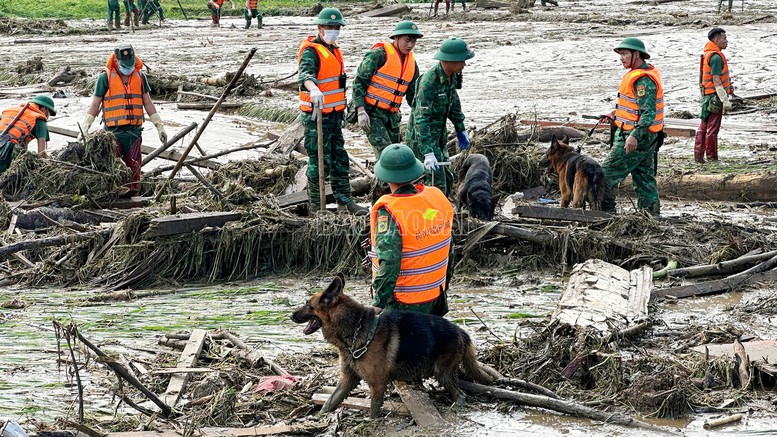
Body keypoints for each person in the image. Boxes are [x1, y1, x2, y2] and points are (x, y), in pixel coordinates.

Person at [368, 143, 454, 314]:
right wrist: (444, 286)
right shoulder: (436, 197)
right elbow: (449, 249)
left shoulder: (390, 211)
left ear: (385, 176)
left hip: (405, 303)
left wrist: (378, 302)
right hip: (435, 295)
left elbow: (390, 261)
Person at [298, 7, 367, 216]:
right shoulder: (311, 51)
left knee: (340, 158)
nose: (333, 31)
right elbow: (305, 75)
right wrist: (314, 89)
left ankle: (345, 202)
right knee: (319, 161)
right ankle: (316, 207)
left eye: (337, 27)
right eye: (330, 27)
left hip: (335, 115)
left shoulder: (334, 49)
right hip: (317, 116)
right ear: (320, 27)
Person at [79, 45, 168, 196]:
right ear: (117, 62)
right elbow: (95, 104)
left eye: (131, 65)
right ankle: (114, 198)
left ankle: (134, 199)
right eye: (125, 66)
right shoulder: (104, 78)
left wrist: (160, 126)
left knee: (134, 172)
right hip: (113, 134)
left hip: (134, 134)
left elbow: (148, 103)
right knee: (113, 172)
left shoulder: (140, 76)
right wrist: (85, 126)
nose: (129, 69)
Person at [601, 38, 664, 216]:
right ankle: (651, 217)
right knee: (644, 178)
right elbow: (635, 107)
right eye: (620, 54)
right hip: (647, 136)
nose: (621, 58)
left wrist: (634, 135)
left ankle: (605, 215)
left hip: (635, 136)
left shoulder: (643, 80)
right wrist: (615, 114)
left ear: (636, 55)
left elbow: (648, 113)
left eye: (624, 54)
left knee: (605, 176)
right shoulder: (641, 73)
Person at [405, 37, 474, 198]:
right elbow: (420, 119)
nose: (464, 64)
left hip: (439, 136)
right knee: (434, 182)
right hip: (423, 139)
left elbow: (453, 102)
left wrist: (460, 128)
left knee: (447, 177)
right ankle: (429, 216)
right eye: (461, 60)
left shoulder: (454, 74)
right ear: (449, 60)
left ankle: (443, 210)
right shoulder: (429, 82)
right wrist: (428, 153)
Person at [352, 21, 421, 160]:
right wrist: (360, 111)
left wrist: (422, 114)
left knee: (395, 153)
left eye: (413, 42)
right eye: (407, 41)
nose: (410, 45)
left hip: (393, 117)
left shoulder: (411, 63)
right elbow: (359, 83)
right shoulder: (378, 55)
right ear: (396, 38)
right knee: (387, 157)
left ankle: (386, 181)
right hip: (372, 113)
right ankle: (384, 182)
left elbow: (413, 94)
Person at [695, 27, 733, 163]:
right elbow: (716, 80)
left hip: (706, 96)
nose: (726, 41)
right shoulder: (716, 57)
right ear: (716, 40)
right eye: (724, 38)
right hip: (714, 98)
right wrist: (725, 99)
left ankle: (698, 157)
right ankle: (712, 158)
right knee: (712, 129)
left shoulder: (708, 54)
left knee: (703, 126)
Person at [0, 95, 55, 174]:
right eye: (49, 113)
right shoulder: (39, 120)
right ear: (44, 109)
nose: (48, 116)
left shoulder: (12, 110)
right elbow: (41, 152)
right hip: (8, 151)